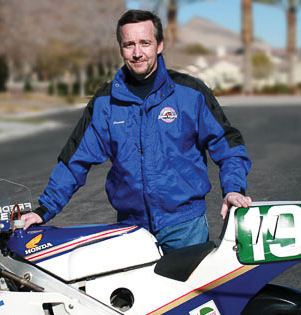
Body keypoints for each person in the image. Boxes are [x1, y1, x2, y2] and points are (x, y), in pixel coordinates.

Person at [22, 9, 252, 256]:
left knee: (193, 284)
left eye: (145, 43)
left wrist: (233, 188)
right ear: (121, 49)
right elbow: (74, 161)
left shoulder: (190, 93)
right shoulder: (105, 102)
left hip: (185, 228)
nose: (137, 52)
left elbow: (228, 145)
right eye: (129, 44)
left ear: (159, 45)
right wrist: (44, 209)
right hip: (131, 230)